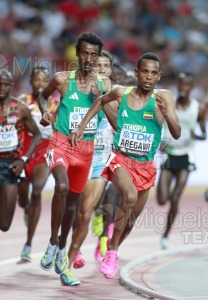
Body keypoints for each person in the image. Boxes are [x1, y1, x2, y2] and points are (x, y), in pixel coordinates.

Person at [70, 52, 181, 280]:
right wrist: (82, 126)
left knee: (131, 219)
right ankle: (111, 251)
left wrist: (168, 113)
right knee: (128, 197)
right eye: (145, 72)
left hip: (146, 166)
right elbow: (101, 100)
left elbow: (177, 133)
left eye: (153, 73)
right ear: (136, 73)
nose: (148, 77)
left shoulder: (165, 97)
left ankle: (113, 247)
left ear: (158, 76)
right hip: (120, 160)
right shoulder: (122, 92)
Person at [38, 33, 111, 279]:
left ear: (97, 57)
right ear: (77, 54)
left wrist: (99, 99)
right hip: (60, 144)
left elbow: (113, 116)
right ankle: (51, 242)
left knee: (73, 205)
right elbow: (42, 95)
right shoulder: (62, 79)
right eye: (85, 53)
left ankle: (61, 247)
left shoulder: (104, 85)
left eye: (94, 54)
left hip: (86, 151)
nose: (89, 58)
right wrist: (46, 113)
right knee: (61, 186)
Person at [61, 50, 115, 282]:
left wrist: (101, 101)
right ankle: (63, 244)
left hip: (99, 163)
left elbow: (119, 124)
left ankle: (71, 258)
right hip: (79, 158)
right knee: (74, 208)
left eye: (106, 66)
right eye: (98, 66)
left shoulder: (118, 96)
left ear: (110, 72)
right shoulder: (77, 90)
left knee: (85, 213)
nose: (101, 69)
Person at [156, 71, 206, 249]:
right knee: (162, 199)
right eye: (181, 84)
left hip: (186, 155)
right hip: (169, 153)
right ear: (178, 86)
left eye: (187, 85)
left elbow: (203, 134)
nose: (183, 88)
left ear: (192, 87)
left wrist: (196, 135)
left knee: (176, 198)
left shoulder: (197, 108)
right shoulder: (169, 104)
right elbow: (159, 123)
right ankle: (170, 196)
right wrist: (160, 142)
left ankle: (165, 236)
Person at [18, 66, 59, 262]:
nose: (41, 84)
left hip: (43, 152)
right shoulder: (21, 102)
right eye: (37, 80)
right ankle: (26, 209)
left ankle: (28, 244)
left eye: (45, 80)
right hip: (23, 151)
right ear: (31, 81)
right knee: (22, 200)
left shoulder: (55, 104)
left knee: (36, 192)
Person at [0, 69, 41, 232]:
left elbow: (38, 134)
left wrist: (24, 159)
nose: (2, 87)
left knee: (4, 225)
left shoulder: (20, 108)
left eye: (5, 84)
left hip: (12, 166)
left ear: (11, 86)